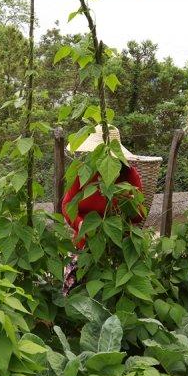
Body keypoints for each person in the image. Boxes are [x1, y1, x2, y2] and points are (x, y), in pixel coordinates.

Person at [61, 125, 147, 293]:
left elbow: (139, 216)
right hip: (84, 244)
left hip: (118, 247)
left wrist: (127, 203)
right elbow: (67, 205)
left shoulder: (129, 175)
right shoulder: (83, 173)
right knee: (74, 292)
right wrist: (81, 225)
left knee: (115, 291)